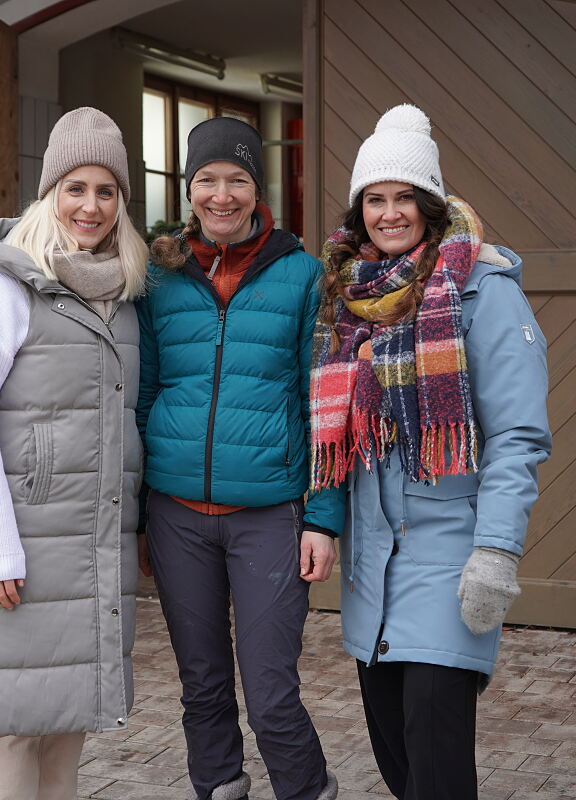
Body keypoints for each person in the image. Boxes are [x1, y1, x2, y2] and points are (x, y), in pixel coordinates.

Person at [309, 105, 551, 800]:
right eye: (375, 200)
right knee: (400, 765)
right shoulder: (347, 299)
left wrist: (497, 550)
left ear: (430, 205)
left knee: (438, 768)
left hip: (450, 558)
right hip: (373, 572)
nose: (390, 214)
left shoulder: (481, 291)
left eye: (404, 198)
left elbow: (518, 434)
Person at [137, 116, 343, 800]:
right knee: (201, 684)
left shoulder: (304, 276)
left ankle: (306, 790)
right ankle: (219, 787)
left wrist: (324, 517)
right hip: (175, 515)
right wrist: (141, 511)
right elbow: (143, 396)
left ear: (259, 189)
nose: (221, 196)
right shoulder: (158, 278)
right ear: (188, 188)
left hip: (270, 515)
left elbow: (328, 406)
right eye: (207, 180)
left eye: (237, 180)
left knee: (272, 693)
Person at [0, 107, 148, 800]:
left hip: (93, 546)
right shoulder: (2, 291)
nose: (90, 206)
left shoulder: (121, 298)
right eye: (75, 188)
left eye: (106, 191)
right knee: (11, 724)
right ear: (48, 193)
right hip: (24, 548)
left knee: (70, 718)